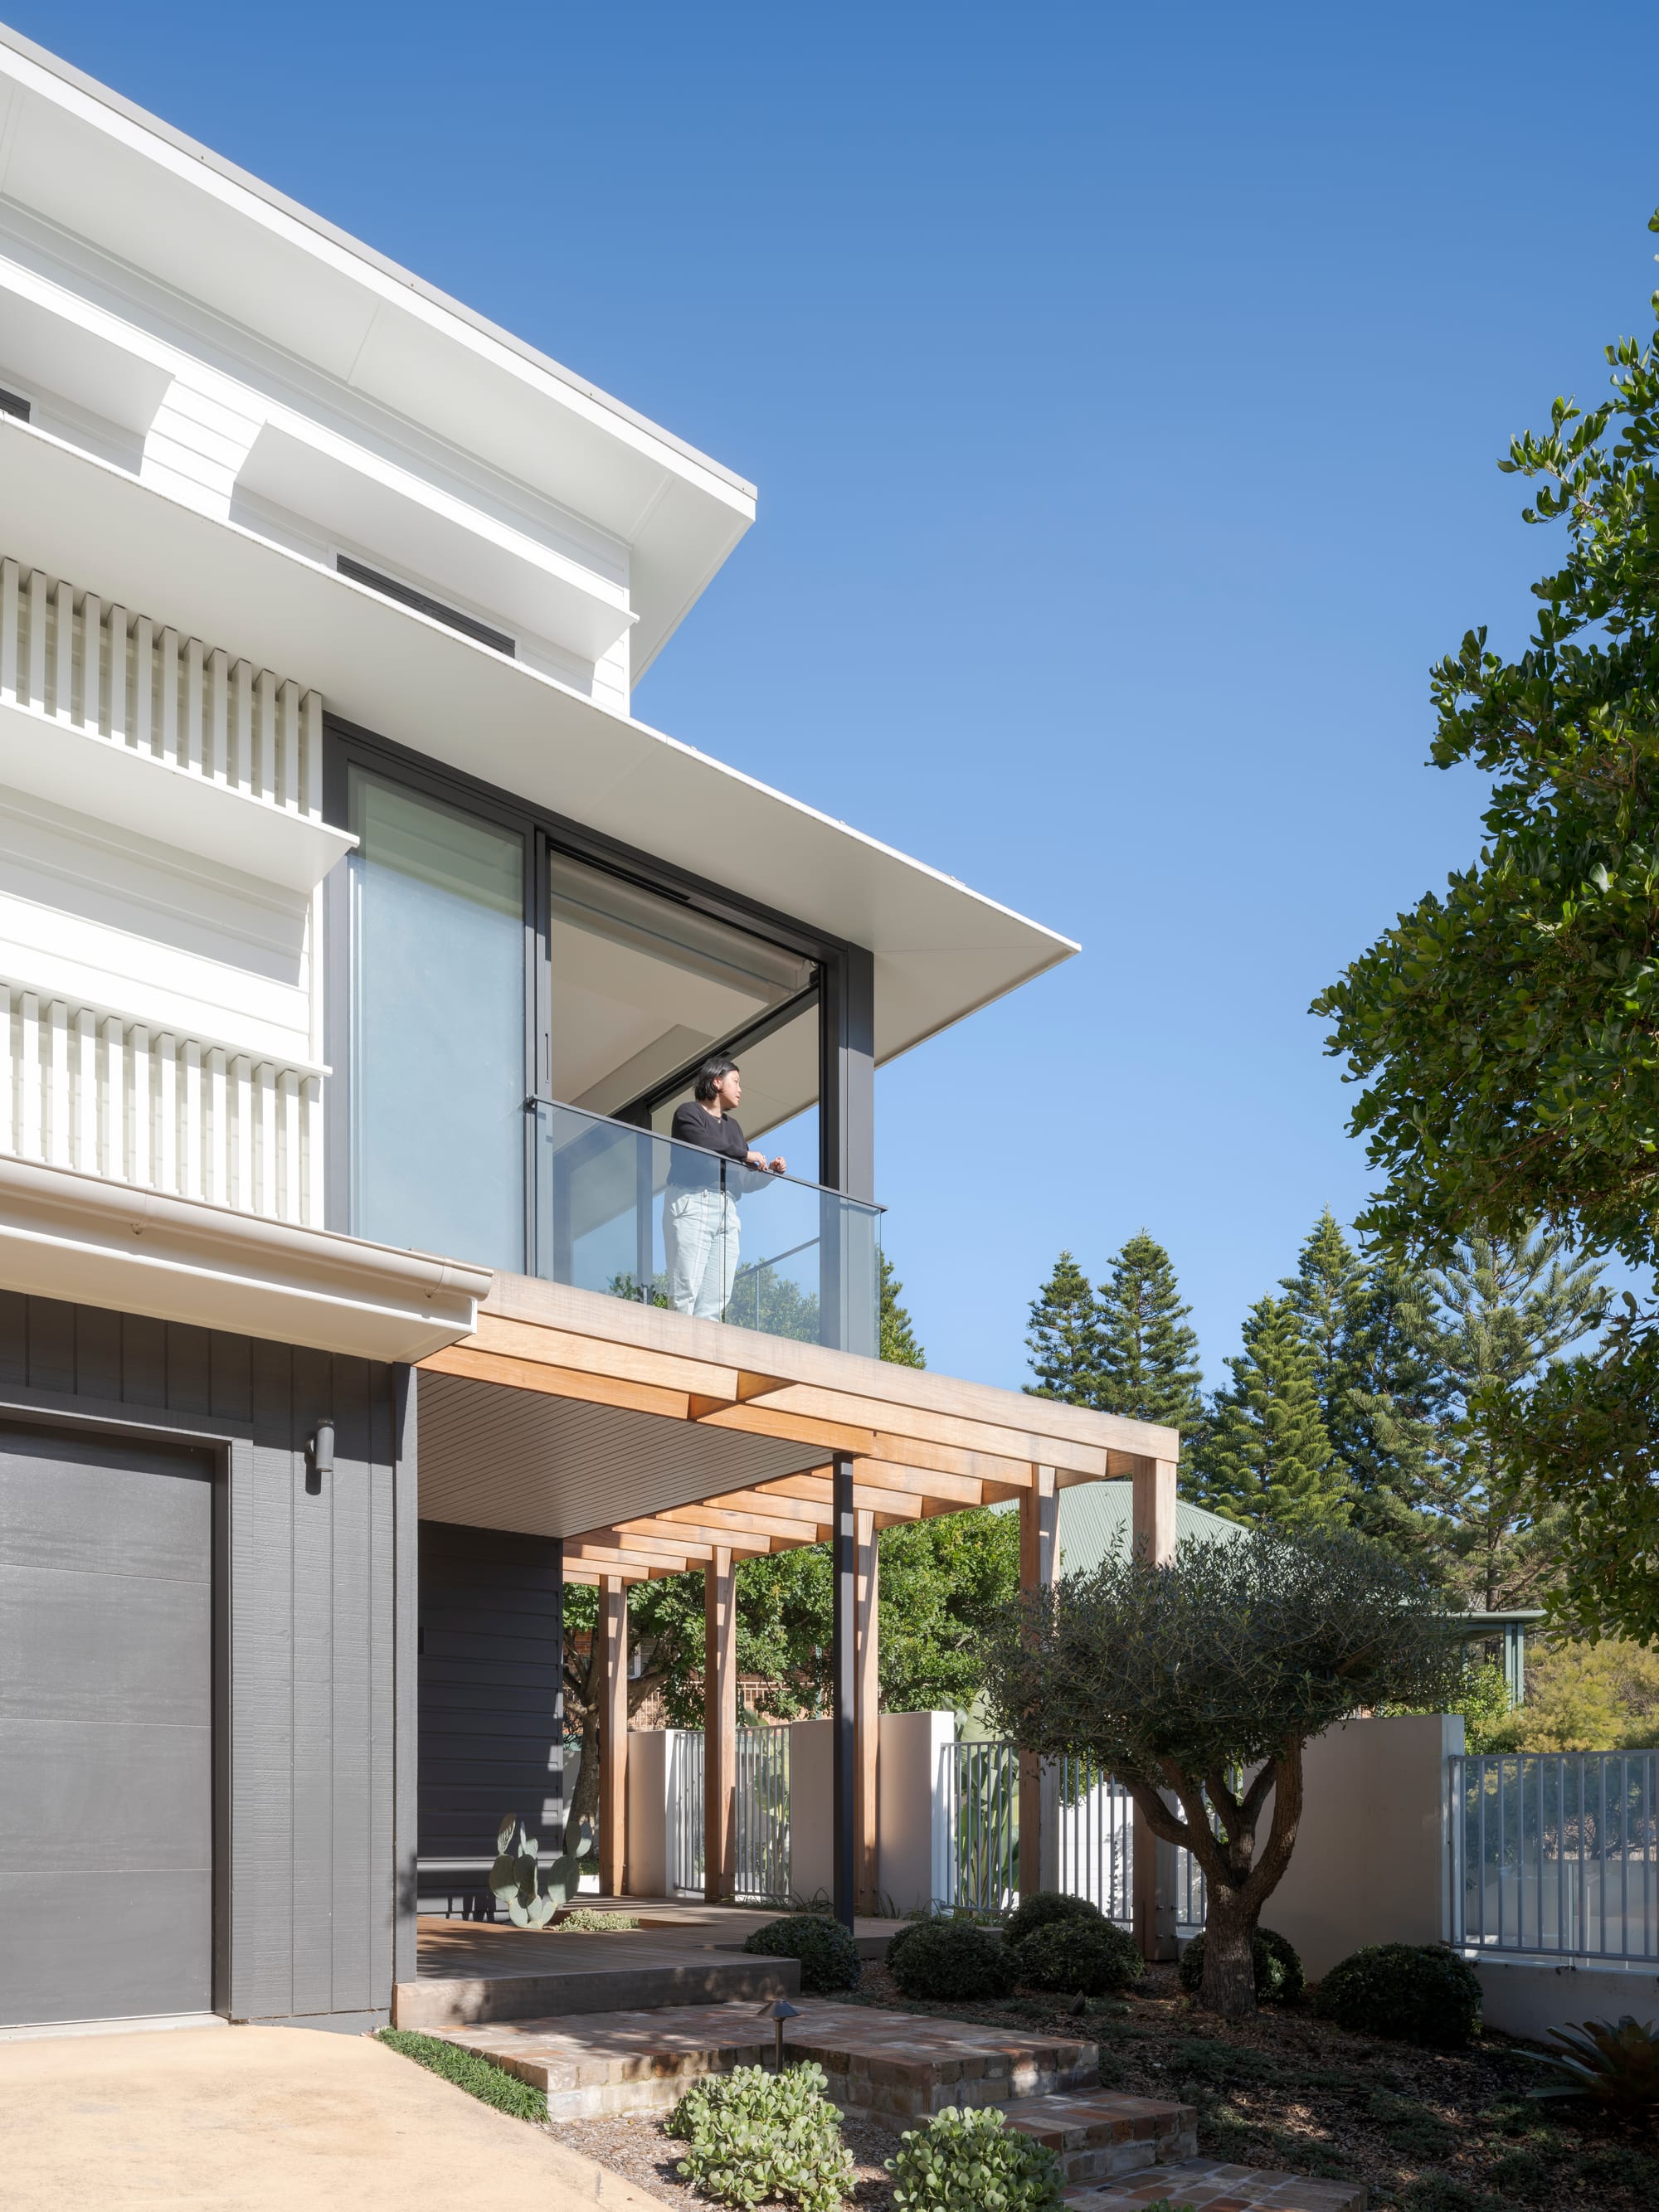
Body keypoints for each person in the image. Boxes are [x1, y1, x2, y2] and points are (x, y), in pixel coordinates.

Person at [664, 1056, 785, 1320]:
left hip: (727, 1210)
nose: (740, 1090)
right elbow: (703, 1145)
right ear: (717, 1082)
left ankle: (705, 1346)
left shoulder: (734, 1128)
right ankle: (677, 1343)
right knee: (685, 1291)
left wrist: (771, 1174)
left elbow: (742, 1179)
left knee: (715, 1299)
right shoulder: (688, 1113)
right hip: (693, 1203)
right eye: (736, 1082)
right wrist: (746, 1154)